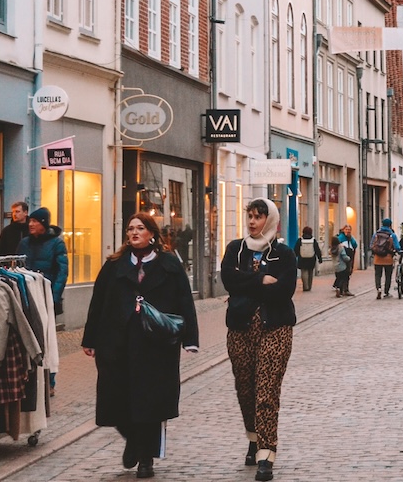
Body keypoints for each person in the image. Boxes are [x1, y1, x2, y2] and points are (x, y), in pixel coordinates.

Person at [81, 213, 199, 479]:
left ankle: (146, 458)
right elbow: (98, 303)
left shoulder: (168, 264)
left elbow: (184, 302)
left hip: (155, 345)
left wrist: (190, 339)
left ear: (152, 234)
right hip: (117, 343)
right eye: (130, 228)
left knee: (150, 403)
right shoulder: (114, 265)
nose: (134, 232)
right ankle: (132, 438)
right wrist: (90, 339)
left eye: (140, 228)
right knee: (116, 396)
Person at [221, 199, 297, 480]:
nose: (252, 222)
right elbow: (228, 279)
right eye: (249, 216)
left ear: (271, 220)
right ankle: (253, 437)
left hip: (274, 328)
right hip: (240, 329)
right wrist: (261, 281)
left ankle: (267, 453)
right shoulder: (235, 250)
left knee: (266, 390)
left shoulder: (284, 254)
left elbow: (284, 290)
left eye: (258, 217)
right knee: (245, 388)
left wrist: (246, 285)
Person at [18, 206, 69, 392]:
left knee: (47, 340)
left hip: (46, 298)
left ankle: (49, 382)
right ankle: (28, 379)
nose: (30, 224)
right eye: (30, 221)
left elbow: (62, 272)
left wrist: (53, 298)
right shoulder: (24, 243)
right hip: (26, 297)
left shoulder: (56, 243)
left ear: (43, 224)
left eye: (34, 221)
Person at [370, 218, 401, 299]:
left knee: (378, 275)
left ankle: (379, 289)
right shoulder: (392, 235)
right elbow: (397, 247)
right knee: (388, 275)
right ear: (390, 225)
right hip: (388, 258)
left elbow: (371, 245)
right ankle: (386, 292)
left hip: (377, 258)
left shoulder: (376, 234)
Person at [293, 226, 322, 292]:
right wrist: (320, 258)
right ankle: (309, 286)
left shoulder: (300, 240)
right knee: (310, 272)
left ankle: (305, 286)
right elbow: (317, 250)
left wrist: (294, 257)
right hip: (311, 259)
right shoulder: (313, 240)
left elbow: (296, 249)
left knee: (304, 272)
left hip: (302, 258)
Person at [332, 225, 356, 297]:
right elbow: (337, 247)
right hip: (343, 258)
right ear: (343, 230)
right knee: (344, 275)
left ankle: (342, 289)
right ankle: (342, 289)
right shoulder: (340, 238)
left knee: (346, 274)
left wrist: (351, 238)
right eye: (346, 229)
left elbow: (355, 244)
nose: (348, 231)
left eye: (349, 229)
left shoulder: (350, 238)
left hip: (349, 257)